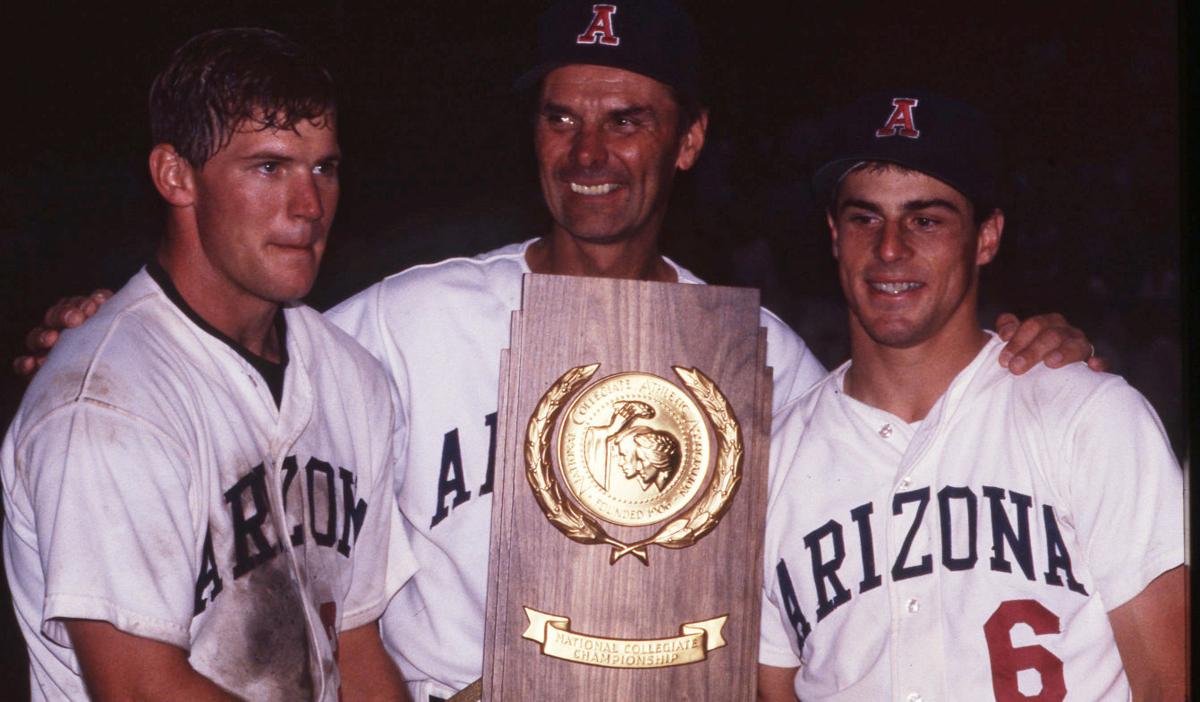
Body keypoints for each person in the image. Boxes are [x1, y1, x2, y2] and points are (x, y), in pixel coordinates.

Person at [11, 4, 1099, 700]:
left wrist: (1030, 353)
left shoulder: (762, 359)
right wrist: (110, 323)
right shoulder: (403, 322)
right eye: (561, 118)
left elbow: (908, 461)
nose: (589, 153)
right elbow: (232, 352)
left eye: (627, 119)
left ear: (688, 139)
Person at [1, 29, 414, 701]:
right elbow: (138, 690)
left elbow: (355, 644)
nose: (309, 206)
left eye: (324, 168)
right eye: (269, 167)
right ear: (175, 175)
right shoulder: (105, 401)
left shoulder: (351, 376)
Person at [756, 91, 1186, 701]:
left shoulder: (1089, 416)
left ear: (986, 237)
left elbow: (1171, 681)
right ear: (834, 233)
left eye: (926, 220)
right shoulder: (772, 461)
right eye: (865, 218)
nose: (889, 248)